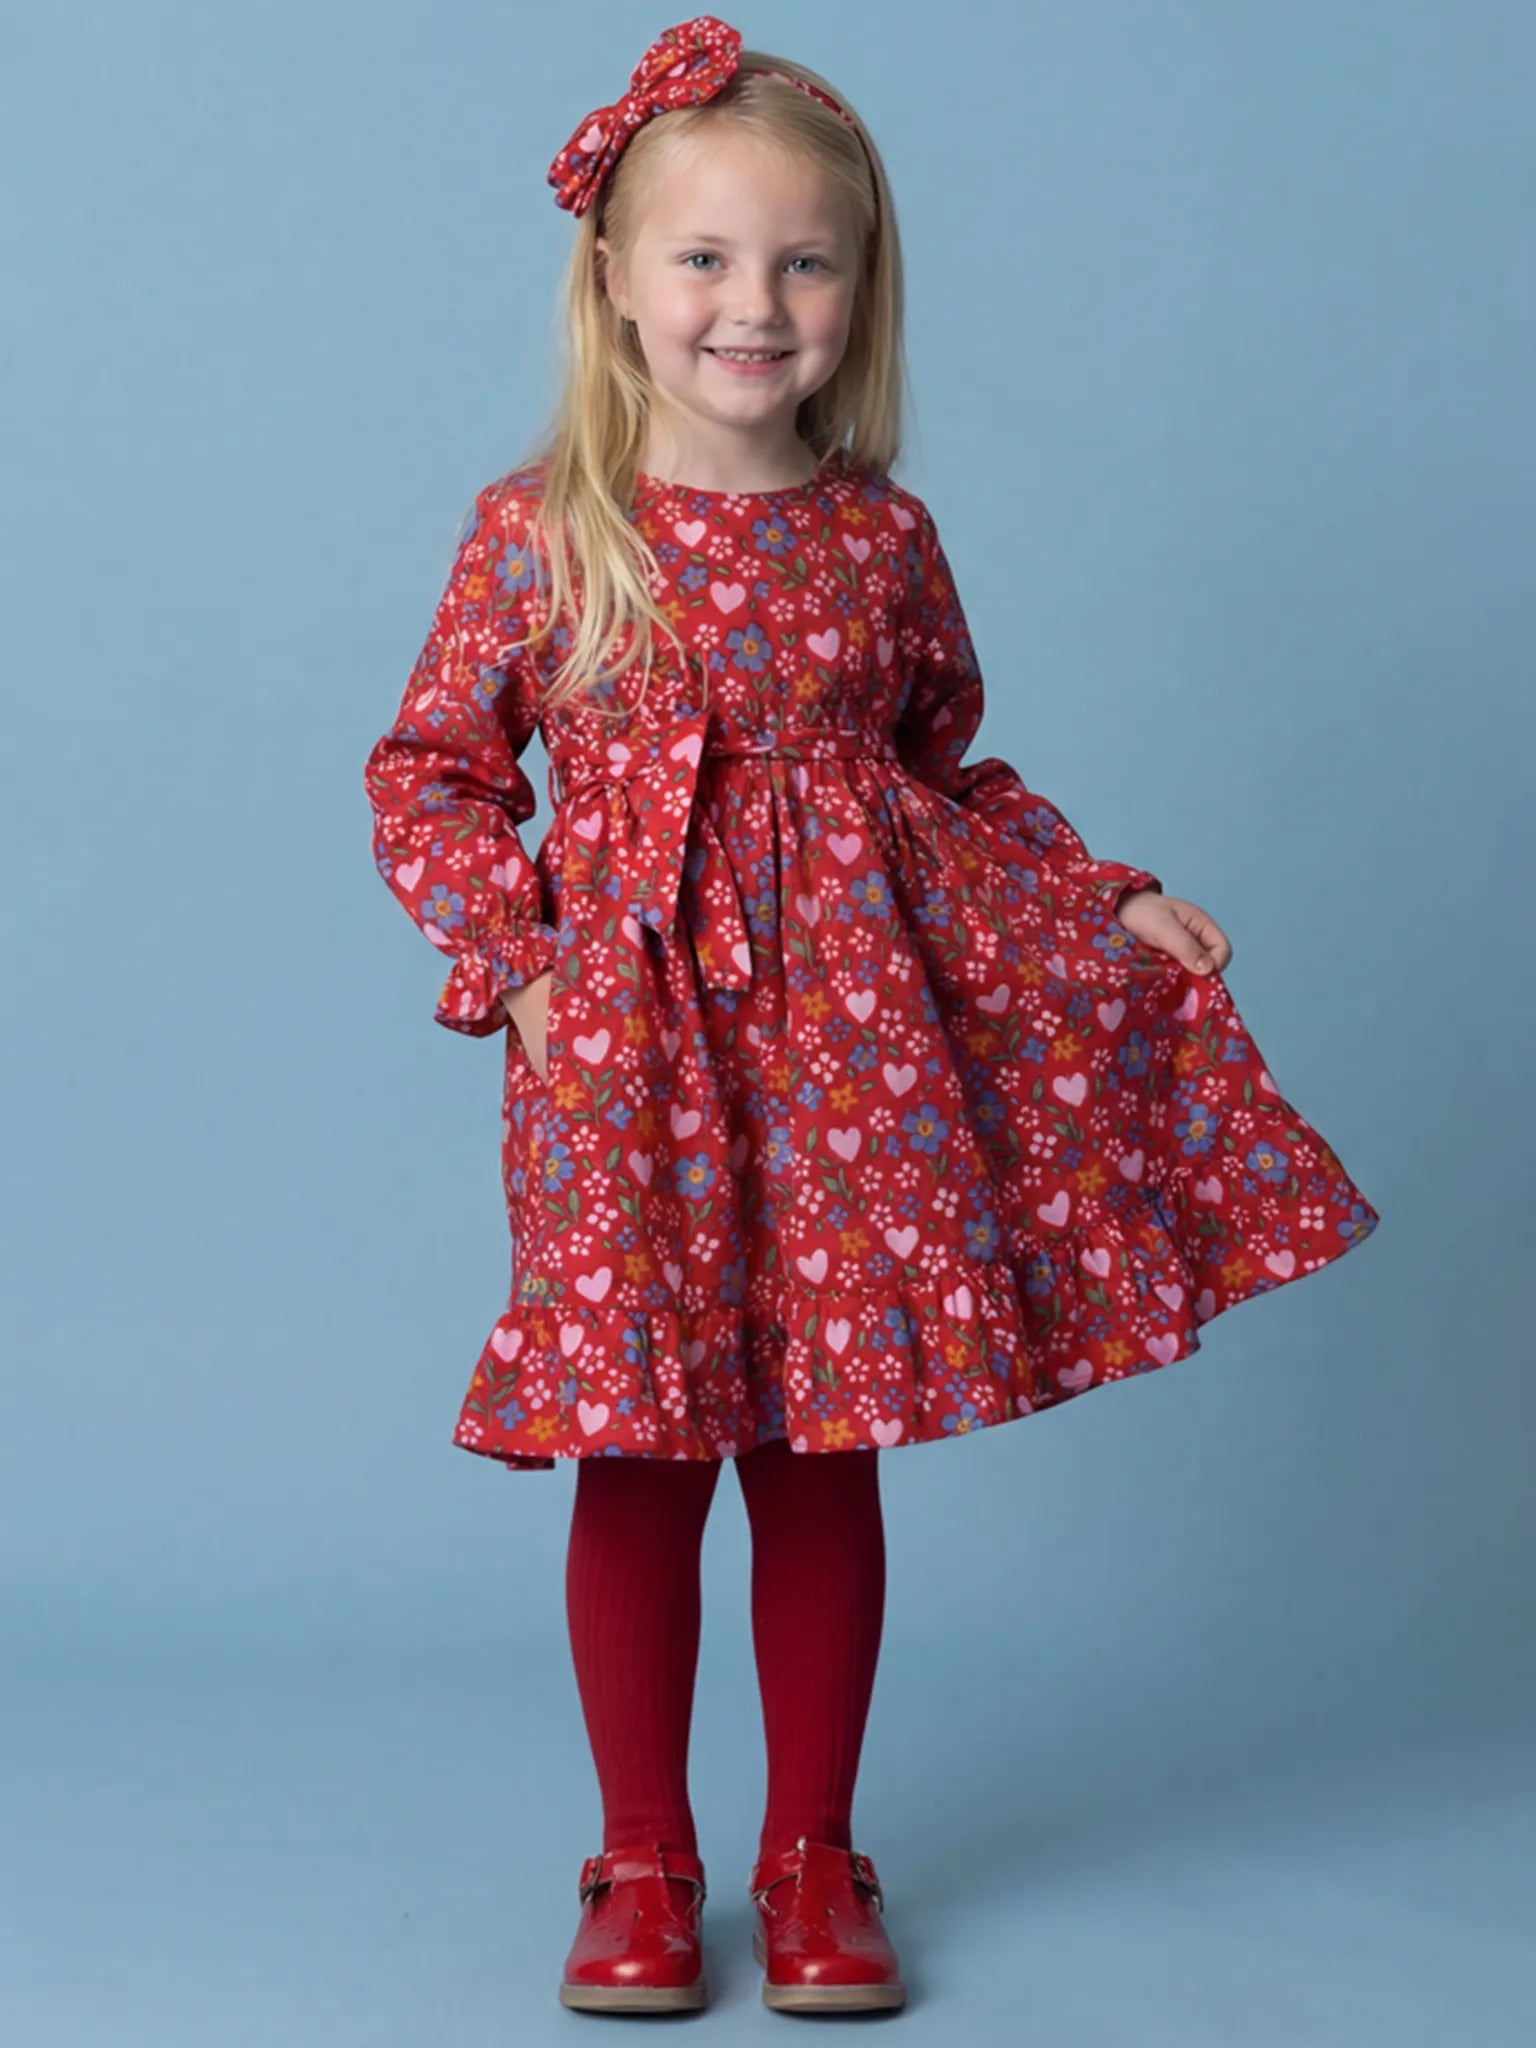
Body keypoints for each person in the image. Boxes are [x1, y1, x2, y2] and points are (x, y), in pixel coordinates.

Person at [362, 15, 1381, 2018]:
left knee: (824, 1449)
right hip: (632, 1068)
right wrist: (523, 963)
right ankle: (640, 1859)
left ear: (860, 289)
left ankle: (813, 1850)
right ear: (616, 278)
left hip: (853, 1070)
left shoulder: (879, 540)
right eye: (707, 258)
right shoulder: (545, 533)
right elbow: (432, 777)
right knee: (640, 1445)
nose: (754, 305)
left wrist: (1099, 894)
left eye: (804, 262)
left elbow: (945, 779)